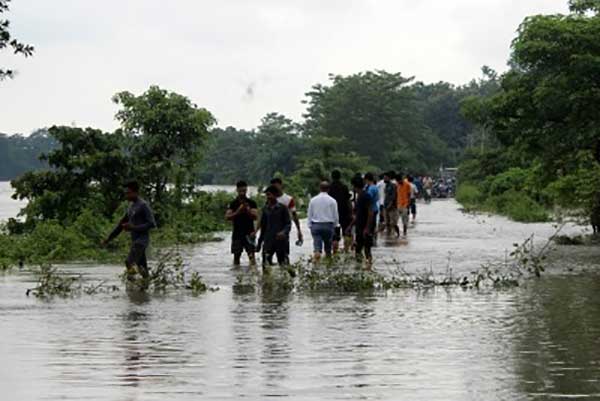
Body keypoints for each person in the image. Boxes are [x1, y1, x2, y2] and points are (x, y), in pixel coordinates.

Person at [102, 181, 156, 282]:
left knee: (129, 261)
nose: (126, 195)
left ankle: (132, 284)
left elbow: (151, 224)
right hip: (135, 241)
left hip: (141, 241)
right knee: (142, 268)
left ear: (136, 192)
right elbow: (121, 225)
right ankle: (145, 288)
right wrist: (108, 238)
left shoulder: (143, 205)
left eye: (129, 193)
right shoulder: (131, 207)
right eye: (126, 193)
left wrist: (133, 227)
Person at [257, 186, 292, 270]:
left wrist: (283, 232)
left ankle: (289, 281)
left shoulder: (283, 208)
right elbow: (263, 227)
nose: (268, 197)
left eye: (269, 195)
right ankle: (266, 282)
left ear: (276, 195)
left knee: (284, 265)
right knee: (265, 266)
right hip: (268, 241)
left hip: (281, 241)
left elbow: (288, 224)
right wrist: (259, 243)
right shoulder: (265, 209)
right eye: (267, 195)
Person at [225, 181, 258, 266]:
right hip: (237, 233)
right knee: (236, 257)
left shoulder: (251, 203)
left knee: (252, 256)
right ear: (237, 190)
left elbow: (255, 217)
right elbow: (227, 217)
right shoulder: (233, 203)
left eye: (244, 191)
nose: (242, 193)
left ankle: (252, 274)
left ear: (246, 190)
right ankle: (237, 275)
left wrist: (247, 210)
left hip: (249, 233)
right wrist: (238, 211)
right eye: (240, 191)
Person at [307, 181, 339, 262]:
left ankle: (316, 267)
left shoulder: (313, 200)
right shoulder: (332, 201)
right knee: (328, 249)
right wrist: (335, 226)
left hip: (316, 226)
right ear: (328, 189)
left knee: (317, 248)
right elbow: (335, 215)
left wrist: (310, 226)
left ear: (319, 188)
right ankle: (328, 267)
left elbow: (309, 214)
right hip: (328, 226)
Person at [347, 175, 374, 264]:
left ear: (354, 186)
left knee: (366, 249)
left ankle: (367, 267)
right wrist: (351, 226)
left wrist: (367, 228)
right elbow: (358, 215)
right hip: (360, 227)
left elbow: (371, 213)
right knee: (358, 249)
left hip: (365, 227)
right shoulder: (360, 196)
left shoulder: (365, 196)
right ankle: (362, 269)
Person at [270, 178, 303, 246]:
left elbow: (294, 215)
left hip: (284, 228)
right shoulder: (270, 199)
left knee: (283, 252)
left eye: (276, 186)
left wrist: (299, 230)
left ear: (281, 185)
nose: (275, 189)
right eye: (273, 187)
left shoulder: (288, 199)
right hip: (271, 228)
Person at [328, 170, 353, 253]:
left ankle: (335, 253)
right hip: (344, 213)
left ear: (332, 177)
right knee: (346, 232)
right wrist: (351, 212)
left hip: (333, 214)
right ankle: (347, 251)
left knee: (335, 235)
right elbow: (348, 201)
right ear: (340, 177)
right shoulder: (344, 187)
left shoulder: (329, 187)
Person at [381, 171, 399, 237]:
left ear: (389, 178)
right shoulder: (386, 186)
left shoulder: (393, 186)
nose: (384, 179)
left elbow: (393, 197)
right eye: (384, 178)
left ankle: (395, 235)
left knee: (393, 223)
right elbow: (386, 196)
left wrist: (390, 205)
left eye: (385, 178)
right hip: (386, 206)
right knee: (387, 223)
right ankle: (389, 236)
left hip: (392, 207)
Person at [363, 173, 380, 239]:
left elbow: (367, 199)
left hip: (370, 210)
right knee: (373, 225)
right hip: (374, 208)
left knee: (370, 226)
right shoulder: (374, 187)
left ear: (367, 179)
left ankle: (370, 239)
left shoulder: (371, 188)